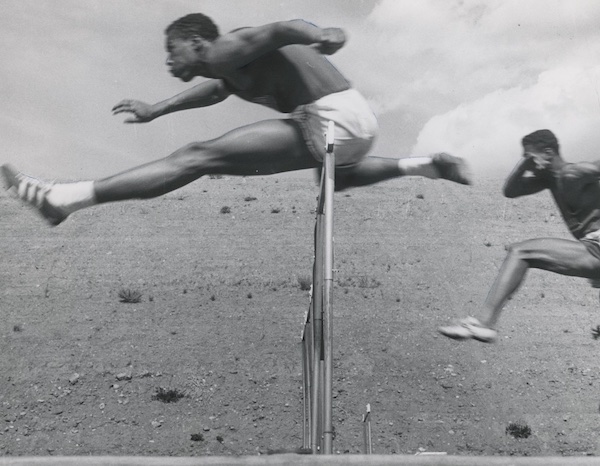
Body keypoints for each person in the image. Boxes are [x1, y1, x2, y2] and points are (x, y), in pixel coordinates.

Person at [1, 13, 470, 226]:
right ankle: (427, 165)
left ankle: (63, 198)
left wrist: (321, 33)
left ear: (198, 43)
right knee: (335, 179)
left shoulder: (228, 47)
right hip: (354, 124)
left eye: (172, 50)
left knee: (196, 156)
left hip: (333, 116)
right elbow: (214, 91)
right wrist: (157, 109)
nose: (168, 61)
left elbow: (280, 29)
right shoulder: (230, 71)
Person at [439, 129, 600, 343]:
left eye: (530, 158)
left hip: (596, 246)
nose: (529, 165)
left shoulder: (575, 172)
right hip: (592, 247)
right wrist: (525, 162)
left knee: (521, 252)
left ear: (549, 152)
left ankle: (484, 323)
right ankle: (483, 323)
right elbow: (510, 190)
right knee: (520, 253)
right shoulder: (548, 181)